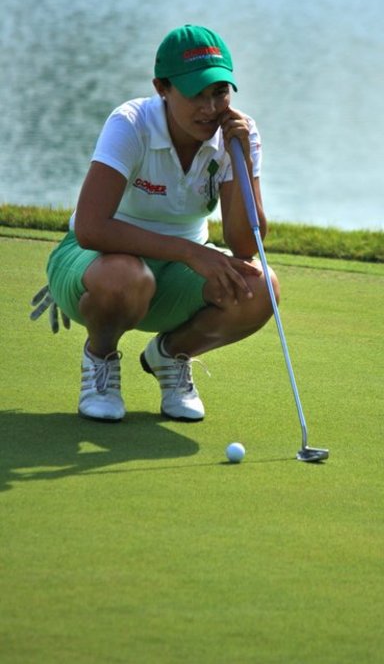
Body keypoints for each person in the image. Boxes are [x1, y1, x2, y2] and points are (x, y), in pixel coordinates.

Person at [32, 24, 279, 422]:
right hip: (98, 261)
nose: (210, 108)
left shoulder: (237, 134)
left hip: (176, 273)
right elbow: (91, 227)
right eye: (195, 94)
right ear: (162, 88)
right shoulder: (131, 123)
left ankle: (170, 356)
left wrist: (241, 159)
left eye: (219, 92)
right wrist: (189, 252)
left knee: (261, 286)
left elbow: (245, 245)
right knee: (125, 277)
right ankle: (101, 360)